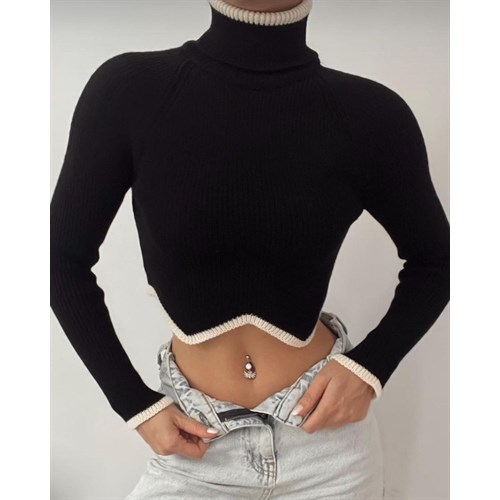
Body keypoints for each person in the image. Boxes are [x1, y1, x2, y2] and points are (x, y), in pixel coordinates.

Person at [50, 0, 450, 498]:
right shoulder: (129, 91)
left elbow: (438, 260)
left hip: (328, 449)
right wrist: (132, 402)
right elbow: (59, 260)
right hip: (196, 444)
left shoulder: (371, 115)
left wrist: (371, 366)